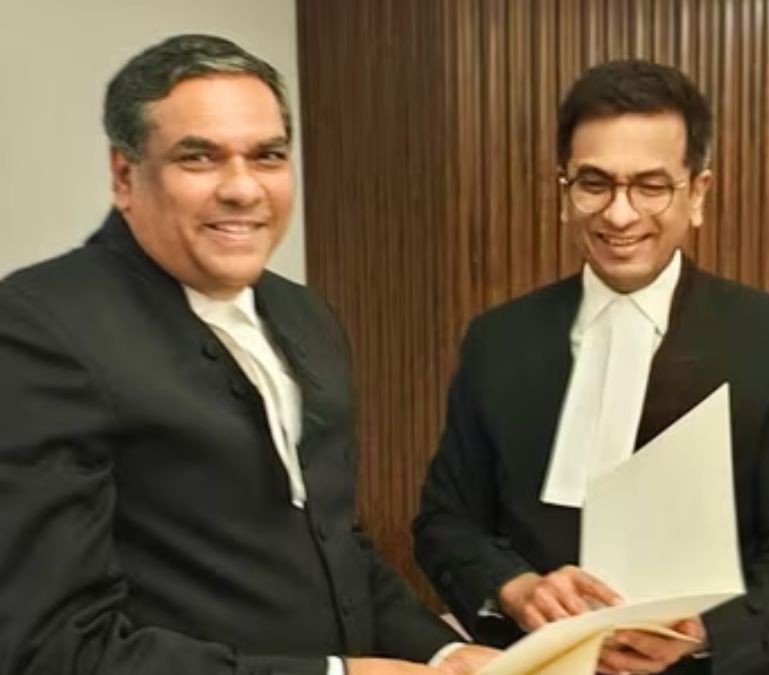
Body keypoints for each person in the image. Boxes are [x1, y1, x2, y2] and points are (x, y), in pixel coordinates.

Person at [0, 34, 497, 675]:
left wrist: (444, 651)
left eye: (268, 156)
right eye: (199, 158)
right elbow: (53, 649)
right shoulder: (38, 328)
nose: (242, 189)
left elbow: (334, 547)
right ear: (125, 176)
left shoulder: (305, 315)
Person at [413, 59, 769, 675]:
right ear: (564, 192)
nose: (619, 215)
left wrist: (703, 633)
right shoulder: (498, 341)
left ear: (697, 194)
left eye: (651, 186)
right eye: (594, 183)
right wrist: (517, 589)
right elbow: (445, 523)